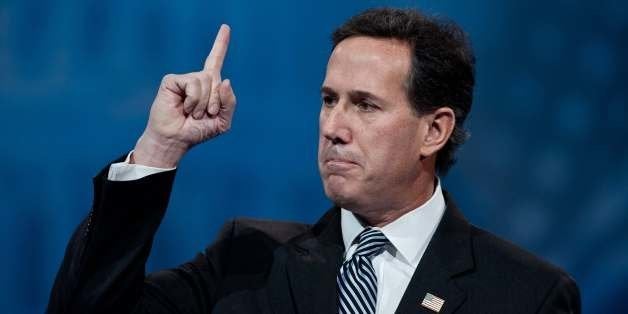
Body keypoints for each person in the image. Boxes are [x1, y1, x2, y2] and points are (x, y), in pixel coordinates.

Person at [47, 8, 581, 314]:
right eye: (329, 100)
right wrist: (159, 148)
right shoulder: (247, 261)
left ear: (434, 129)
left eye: (365, 105)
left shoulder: (527, 295)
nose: (333, 127)